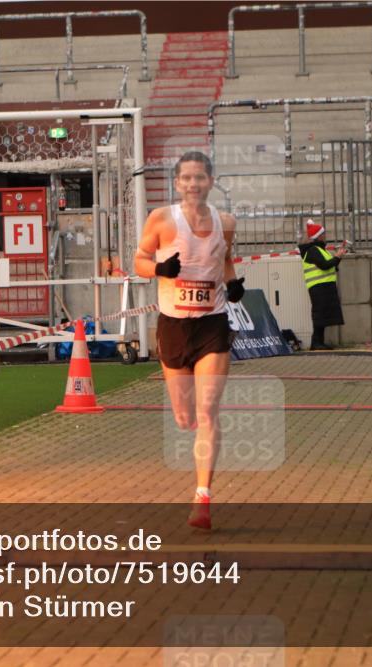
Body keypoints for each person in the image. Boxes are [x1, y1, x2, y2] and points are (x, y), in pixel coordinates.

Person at [134, 151, 245, 530]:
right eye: (186, 178)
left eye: (200, 177)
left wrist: (233, 285)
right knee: (184, 417)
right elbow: (138, 260)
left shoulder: (225, 222)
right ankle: (186, 423)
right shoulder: (162, 219)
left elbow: (226, 259)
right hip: (174, 326)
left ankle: (202, 498)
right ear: (177, 183)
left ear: (211, 181)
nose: (193, 184)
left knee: (207, 412)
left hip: (212, 325)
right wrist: (160, 268)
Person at [299, 219, 346, 350]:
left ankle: (319, 342)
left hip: (323, 286)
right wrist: (337, 257)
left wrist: (337, 258)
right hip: (318, 286)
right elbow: (325, 265)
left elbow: (330, 266)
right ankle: (316, 342)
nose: (325, 236)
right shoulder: (314, 250)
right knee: (320, 314)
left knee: (323, 315)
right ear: (318, 236)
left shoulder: (320, 250)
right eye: (323, 234)